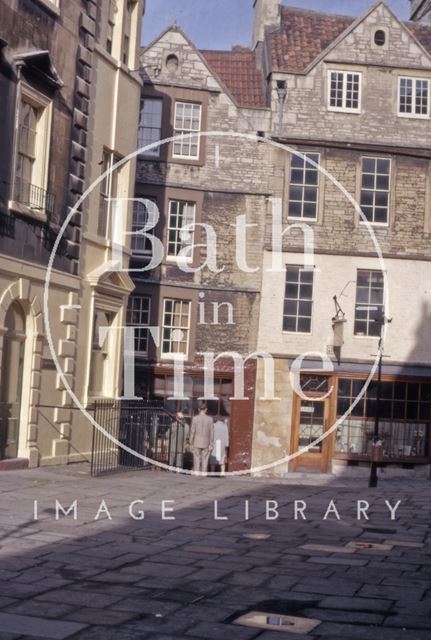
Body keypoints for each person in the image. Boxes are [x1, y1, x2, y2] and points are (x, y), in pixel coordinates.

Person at [189, 402, 214, 475]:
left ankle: (196, 474)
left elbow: (192, 431)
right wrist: (211, 444)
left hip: (196, 442)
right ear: (206, 409)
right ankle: (204, 474)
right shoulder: (210, 419)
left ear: (198, 409)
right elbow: (211, 432)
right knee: (205, 460)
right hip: (206, 443)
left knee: (196, 460)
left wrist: (190, 442)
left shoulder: (195, 418)